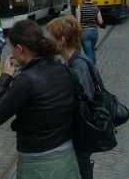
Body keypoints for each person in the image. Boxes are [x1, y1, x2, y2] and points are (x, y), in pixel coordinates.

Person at [0, 20, 79, 179]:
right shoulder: (63, 69)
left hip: (37, 162)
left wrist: (5, 77)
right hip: (66, 155)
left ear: (19, 49)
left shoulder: (26, 80)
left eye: (12, 50)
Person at [48, 15, 98, 179]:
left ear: (62, 41)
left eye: (52, 37)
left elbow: (80, 101)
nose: (50, 41)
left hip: (80, 134)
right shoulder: (73, 61)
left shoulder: (79, 66)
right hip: (78, 133)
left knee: (81, 170)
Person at [76, 0, 104, 64]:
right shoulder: (95, 7)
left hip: (84, 32)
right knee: (92, 50)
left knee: (88, 53)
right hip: (94, 32)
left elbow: (78, 22)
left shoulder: (80, 7)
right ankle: (94, 67)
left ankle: (91, 70)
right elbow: (101, 21)